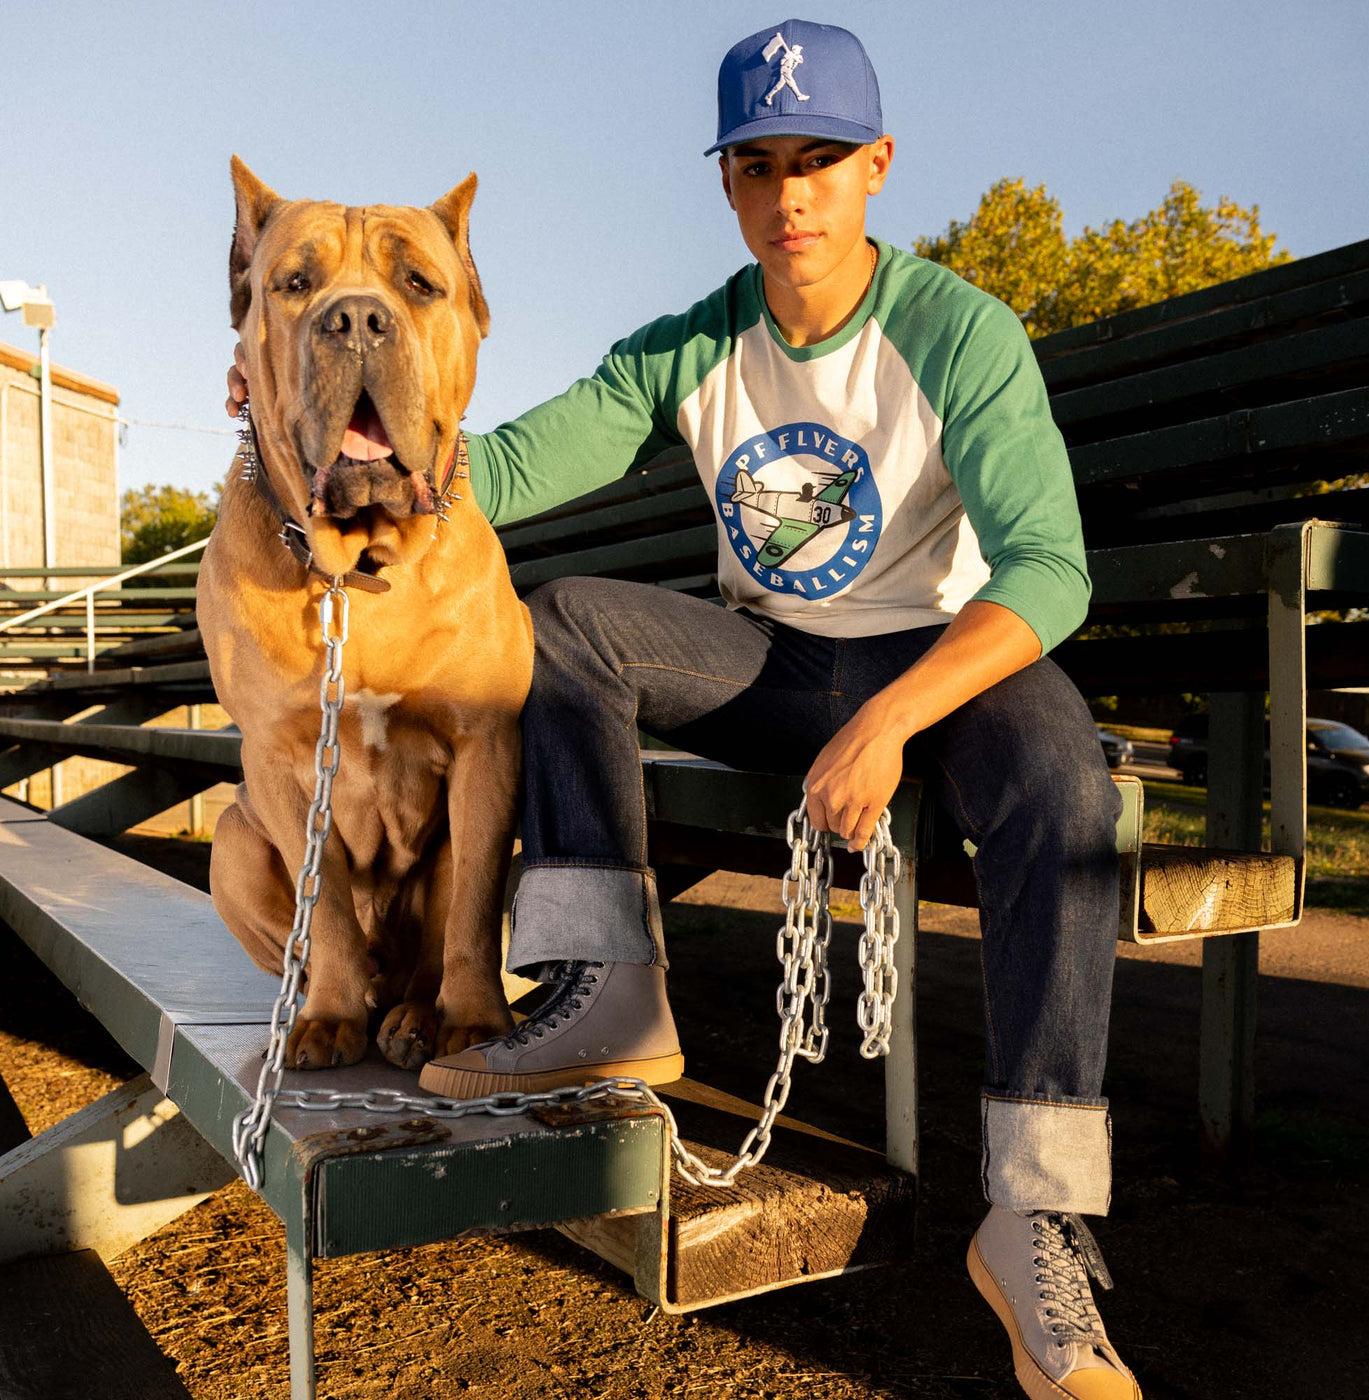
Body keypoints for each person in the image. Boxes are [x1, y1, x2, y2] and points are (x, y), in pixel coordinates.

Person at [227, 19, 1139, 1399]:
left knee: (1069, 789)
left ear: (876, 164)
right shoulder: (695, 343)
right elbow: (504, 463)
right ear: (727, 185)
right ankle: (612, 986)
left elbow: (1053, 569)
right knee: (575, 621)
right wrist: (323, 428)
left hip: (952, 666)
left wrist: (891, 724)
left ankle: (1037, 1221)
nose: (791, 194)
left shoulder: (958, 331)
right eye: (760, 164)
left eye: (821, 159)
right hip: (776, 668)